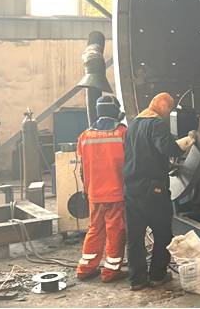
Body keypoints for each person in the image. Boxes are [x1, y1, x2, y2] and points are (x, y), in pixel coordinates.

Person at [123, 92, 196, 291]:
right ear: (164, 108)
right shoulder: (156, 124)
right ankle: (157, 274)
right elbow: (169, 149)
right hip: (153, 190)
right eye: (169, 108)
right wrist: (189, 140)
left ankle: (137, 280)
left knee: (135, 237)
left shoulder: (133, 124)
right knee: (163, 233)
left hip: (131, 189)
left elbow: (139, 153)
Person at [75, 95, 128, 283]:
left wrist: (87, 189)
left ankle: (85, 269)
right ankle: (110, 272)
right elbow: (130, 164)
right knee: (115, 231)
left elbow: (82, 169)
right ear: (115, 111)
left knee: (94, 230)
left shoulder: (85, 136)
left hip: (94, 194)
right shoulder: (122, 133)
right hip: (116, 193)